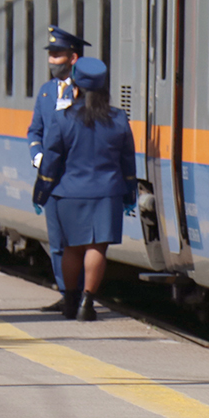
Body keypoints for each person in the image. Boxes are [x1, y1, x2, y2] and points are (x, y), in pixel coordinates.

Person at [33, 57, 136, 322]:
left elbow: (52, 160)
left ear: (75, 88)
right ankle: (88, 303)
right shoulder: (118, 118)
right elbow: (127, 159)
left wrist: (41, 193)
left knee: (72, 248)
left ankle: (69, 301)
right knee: (96, 249)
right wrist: (130, 194)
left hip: (68, 193)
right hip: (106, 194)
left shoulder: (62, 119)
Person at [27, 25, 89, 313]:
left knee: (81, 241)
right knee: (57, 241)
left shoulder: (87, 92)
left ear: (73, 57)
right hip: (52, 177)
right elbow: (34, 131)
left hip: (78, 177)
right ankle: (66, 294)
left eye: (57, 54)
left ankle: (82, 295)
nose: (52, 60)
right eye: (50, 55)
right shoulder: (45, 92)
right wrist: (37, 156)